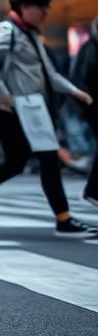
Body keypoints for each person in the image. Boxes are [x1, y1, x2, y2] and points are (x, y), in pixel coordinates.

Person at [0, 0, 96, 237]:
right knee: (46, 158)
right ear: (25, 7)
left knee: (17, 162)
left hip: (29, 108)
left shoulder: (30, 34)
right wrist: (3, 92)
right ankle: (63, 220)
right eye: (41, 7)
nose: (45, 12)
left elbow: (50, 75)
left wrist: (77, 93)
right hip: (12, 109)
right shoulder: (7, 29)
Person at [70, 15, 98, 207]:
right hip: (94, 107)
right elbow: (78, 81)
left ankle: (93, 190)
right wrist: (88, 105)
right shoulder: (90, 49)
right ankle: (93, 190)